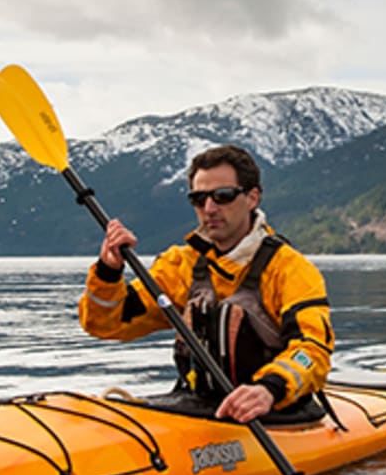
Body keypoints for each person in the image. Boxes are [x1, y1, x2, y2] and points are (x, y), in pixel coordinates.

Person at [79, 144, 333, 424]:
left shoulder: (291, 270)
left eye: (222, 196)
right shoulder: (180, 265)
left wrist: (268, 389)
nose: (209, 208)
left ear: (252, 198)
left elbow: (312, 350)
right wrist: (109, 271)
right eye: (199, 199)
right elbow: (105, 324)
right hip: (195, 407)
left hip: (276, 411)